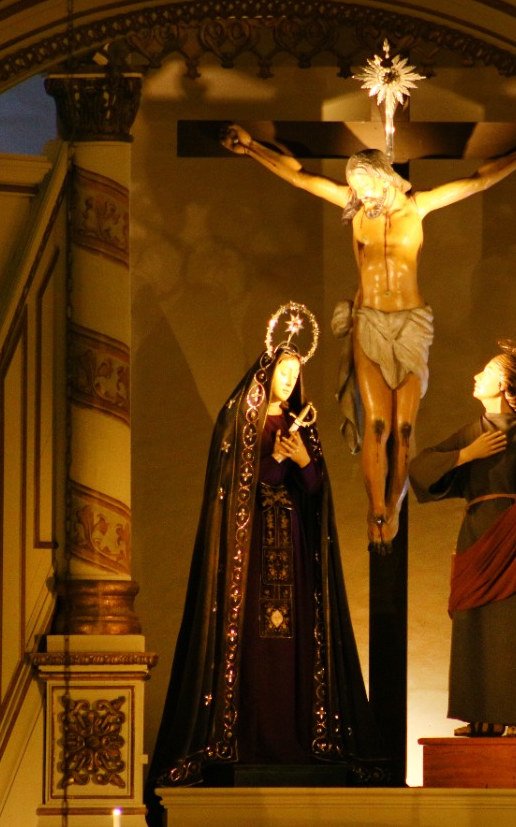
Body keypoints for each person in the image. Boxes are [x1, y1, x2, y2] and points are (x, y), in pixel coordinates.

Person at [220, 124, 516, 549]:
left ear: (384, 178)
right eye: (356, 190)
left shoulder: (418, 207)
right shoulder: (354, 204)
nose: (361, 197)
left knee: (403, 428)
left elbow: (478, 181)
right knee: (377, 424)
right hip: (371, 322)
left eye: (367, 188)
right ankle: (375, 507)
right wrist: (251, 147)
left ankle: (394, 506)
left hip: (411, 323)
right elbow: (300, 176)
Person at [148, 305, 390, 814]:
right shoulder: (241, 419)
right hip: (252, 551)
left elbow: (316, 490)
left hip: (294, 547)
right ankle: (244, 741)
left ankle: (301, 739)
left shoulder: (305, 426)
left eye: (296, 374)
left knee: (297, 639)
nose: (289, 380)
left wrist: (302, 461)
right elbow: (237, 484)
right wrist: (274, 462)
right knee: (253, 641)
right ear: (267, 370)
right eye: (283, 371)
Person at [409, 341, 516, 737]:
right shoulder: (472, 433)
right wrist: (466, 455)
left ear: (505, 384)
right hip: (479, 536)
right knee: (477, 626)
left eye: (487, 372)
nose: (477, 376)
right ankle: (482, 715)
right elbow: (420, 469)